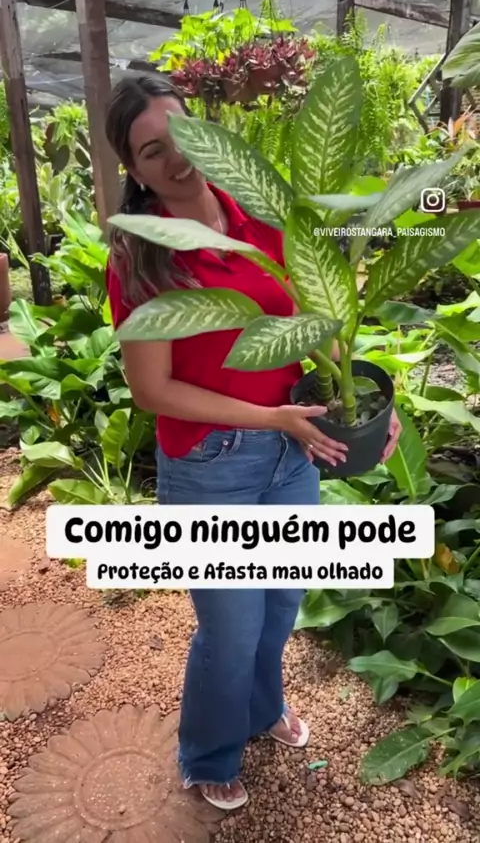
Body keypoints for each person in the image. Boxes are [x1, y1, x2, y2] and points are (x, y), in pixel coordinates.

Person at [104, 75, 401, 811]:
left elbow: (320, 327)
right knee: (230, 630)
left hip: (292, 456)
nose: (177, 159)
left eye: (183, 135)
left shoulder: (267, 219)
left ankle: (263, 710)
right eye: (152, 151)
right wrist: (274, 420)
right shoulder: (144, 256)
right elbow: (152, 390)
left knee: (279, 608)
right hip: (211, 469)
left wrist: (368, 407)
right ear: (134, 170)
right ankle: (208, 753)